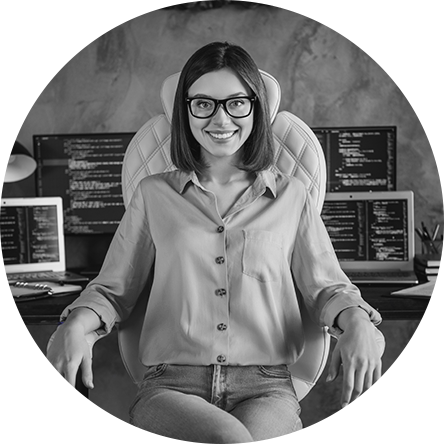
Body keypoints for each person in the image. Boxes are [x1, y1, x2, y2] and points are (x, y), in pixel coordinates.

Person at [47, 41, 383, 442]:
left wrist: (359, 321)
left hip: (266, 385)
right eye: (203, 103)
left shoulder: (293, 196)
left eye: (236, 103)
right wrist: (74, 326)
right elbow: (112, 290)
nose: (221, 118)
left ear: (255, 108)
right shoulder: (153, 195)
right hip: (171, 384)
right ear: (185, 110)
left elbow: (326, 288)